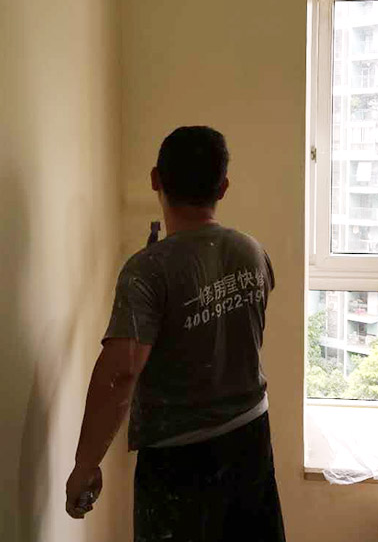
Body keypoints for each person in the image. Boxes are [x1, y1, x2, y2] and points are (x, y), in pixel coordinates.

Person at [65, 125, 286, 541]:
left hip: (180, 462)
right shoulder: (253, 253)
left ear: (155, 179)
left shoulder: (147, 270)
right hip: (251, 440)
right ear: (223, 187)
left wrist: (85, 464)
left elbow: (120, 373)